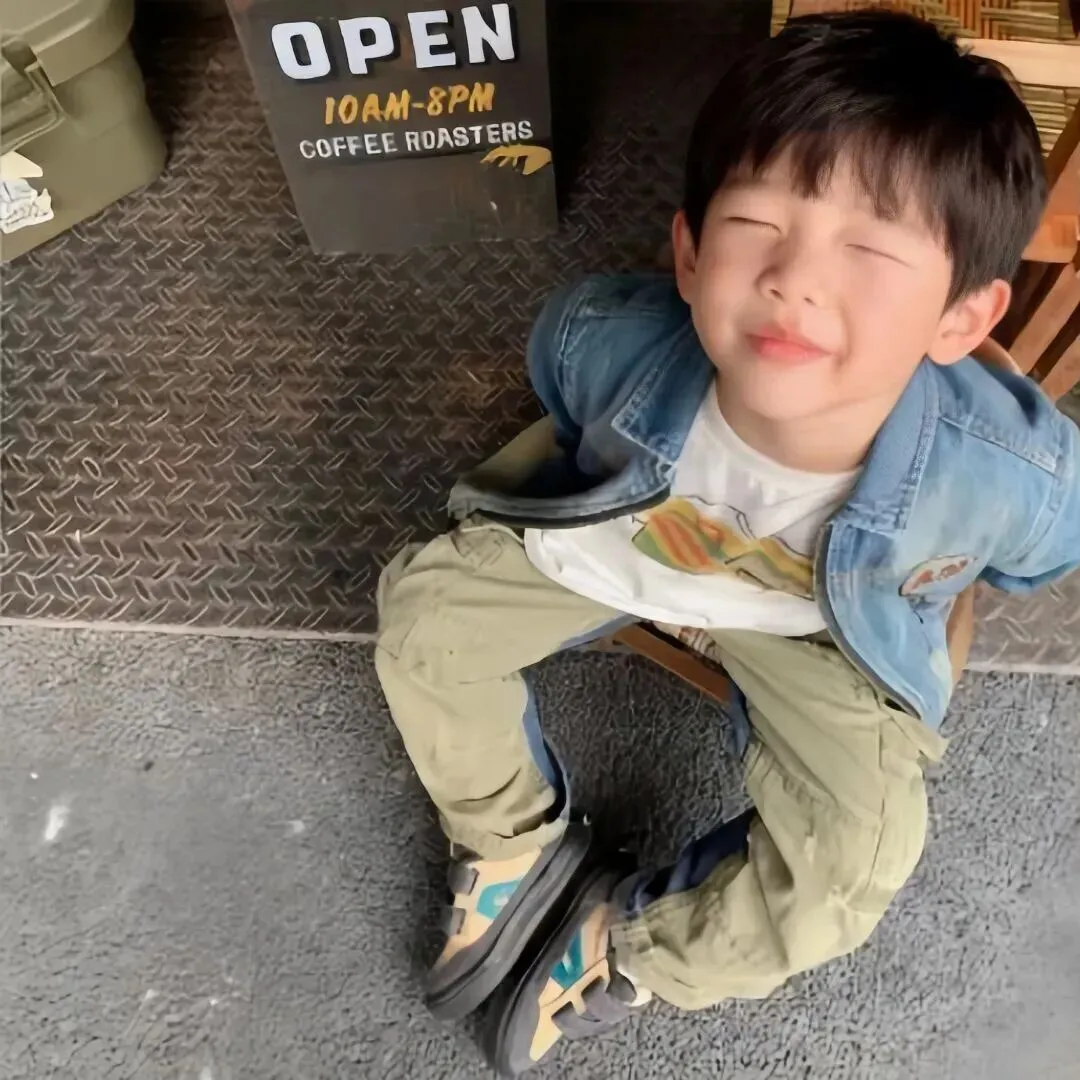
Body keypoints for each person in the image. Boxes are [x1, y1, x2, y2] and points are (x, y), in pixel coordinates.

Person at [375, 9, 1080, 1076]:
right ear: (691, 255)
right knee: (425, 621)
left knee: (855, 867)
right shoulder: (606, 338)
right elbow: (566, 393)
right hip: (621, 537)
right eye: (757, 223)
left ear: (960, 320)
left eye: (869, 248)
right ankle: (511, 837)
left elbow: (1041, 547)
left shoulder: (1005, 471)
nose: (797, 277)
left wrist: (936, 597)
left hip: (820, 625)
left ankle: (635, 948)